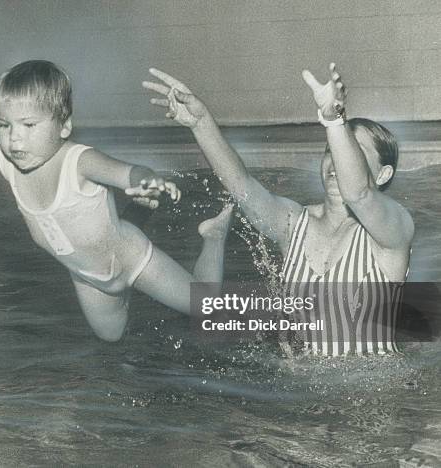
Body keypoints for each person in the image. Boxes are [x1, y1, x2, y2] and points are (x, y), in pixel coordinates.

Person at [0, 60, 233, 342]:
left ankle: (213, 235)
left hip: (132, 260)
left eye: (29, 126)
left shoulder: (78, 160)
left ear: (63, 126)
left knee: (207, 309)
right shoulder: (8, 161)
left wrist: (146, 180)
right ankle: (133, 219)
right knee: (112, 336)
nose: (15, 139)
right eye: (5, 126)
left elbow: (124, 171)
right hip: (87, 278)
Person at [143, 64, 414, 356]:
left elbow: (359, 193)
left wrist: (334, 120)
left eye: (352, 153)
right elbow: (242, 186)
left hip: (376, 397)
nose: (334, 162)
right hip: (305, 392)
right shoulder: (294, 223)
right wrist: (201, 124)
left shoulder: (394, 229)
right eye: (329, 151)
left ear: (384, 174)